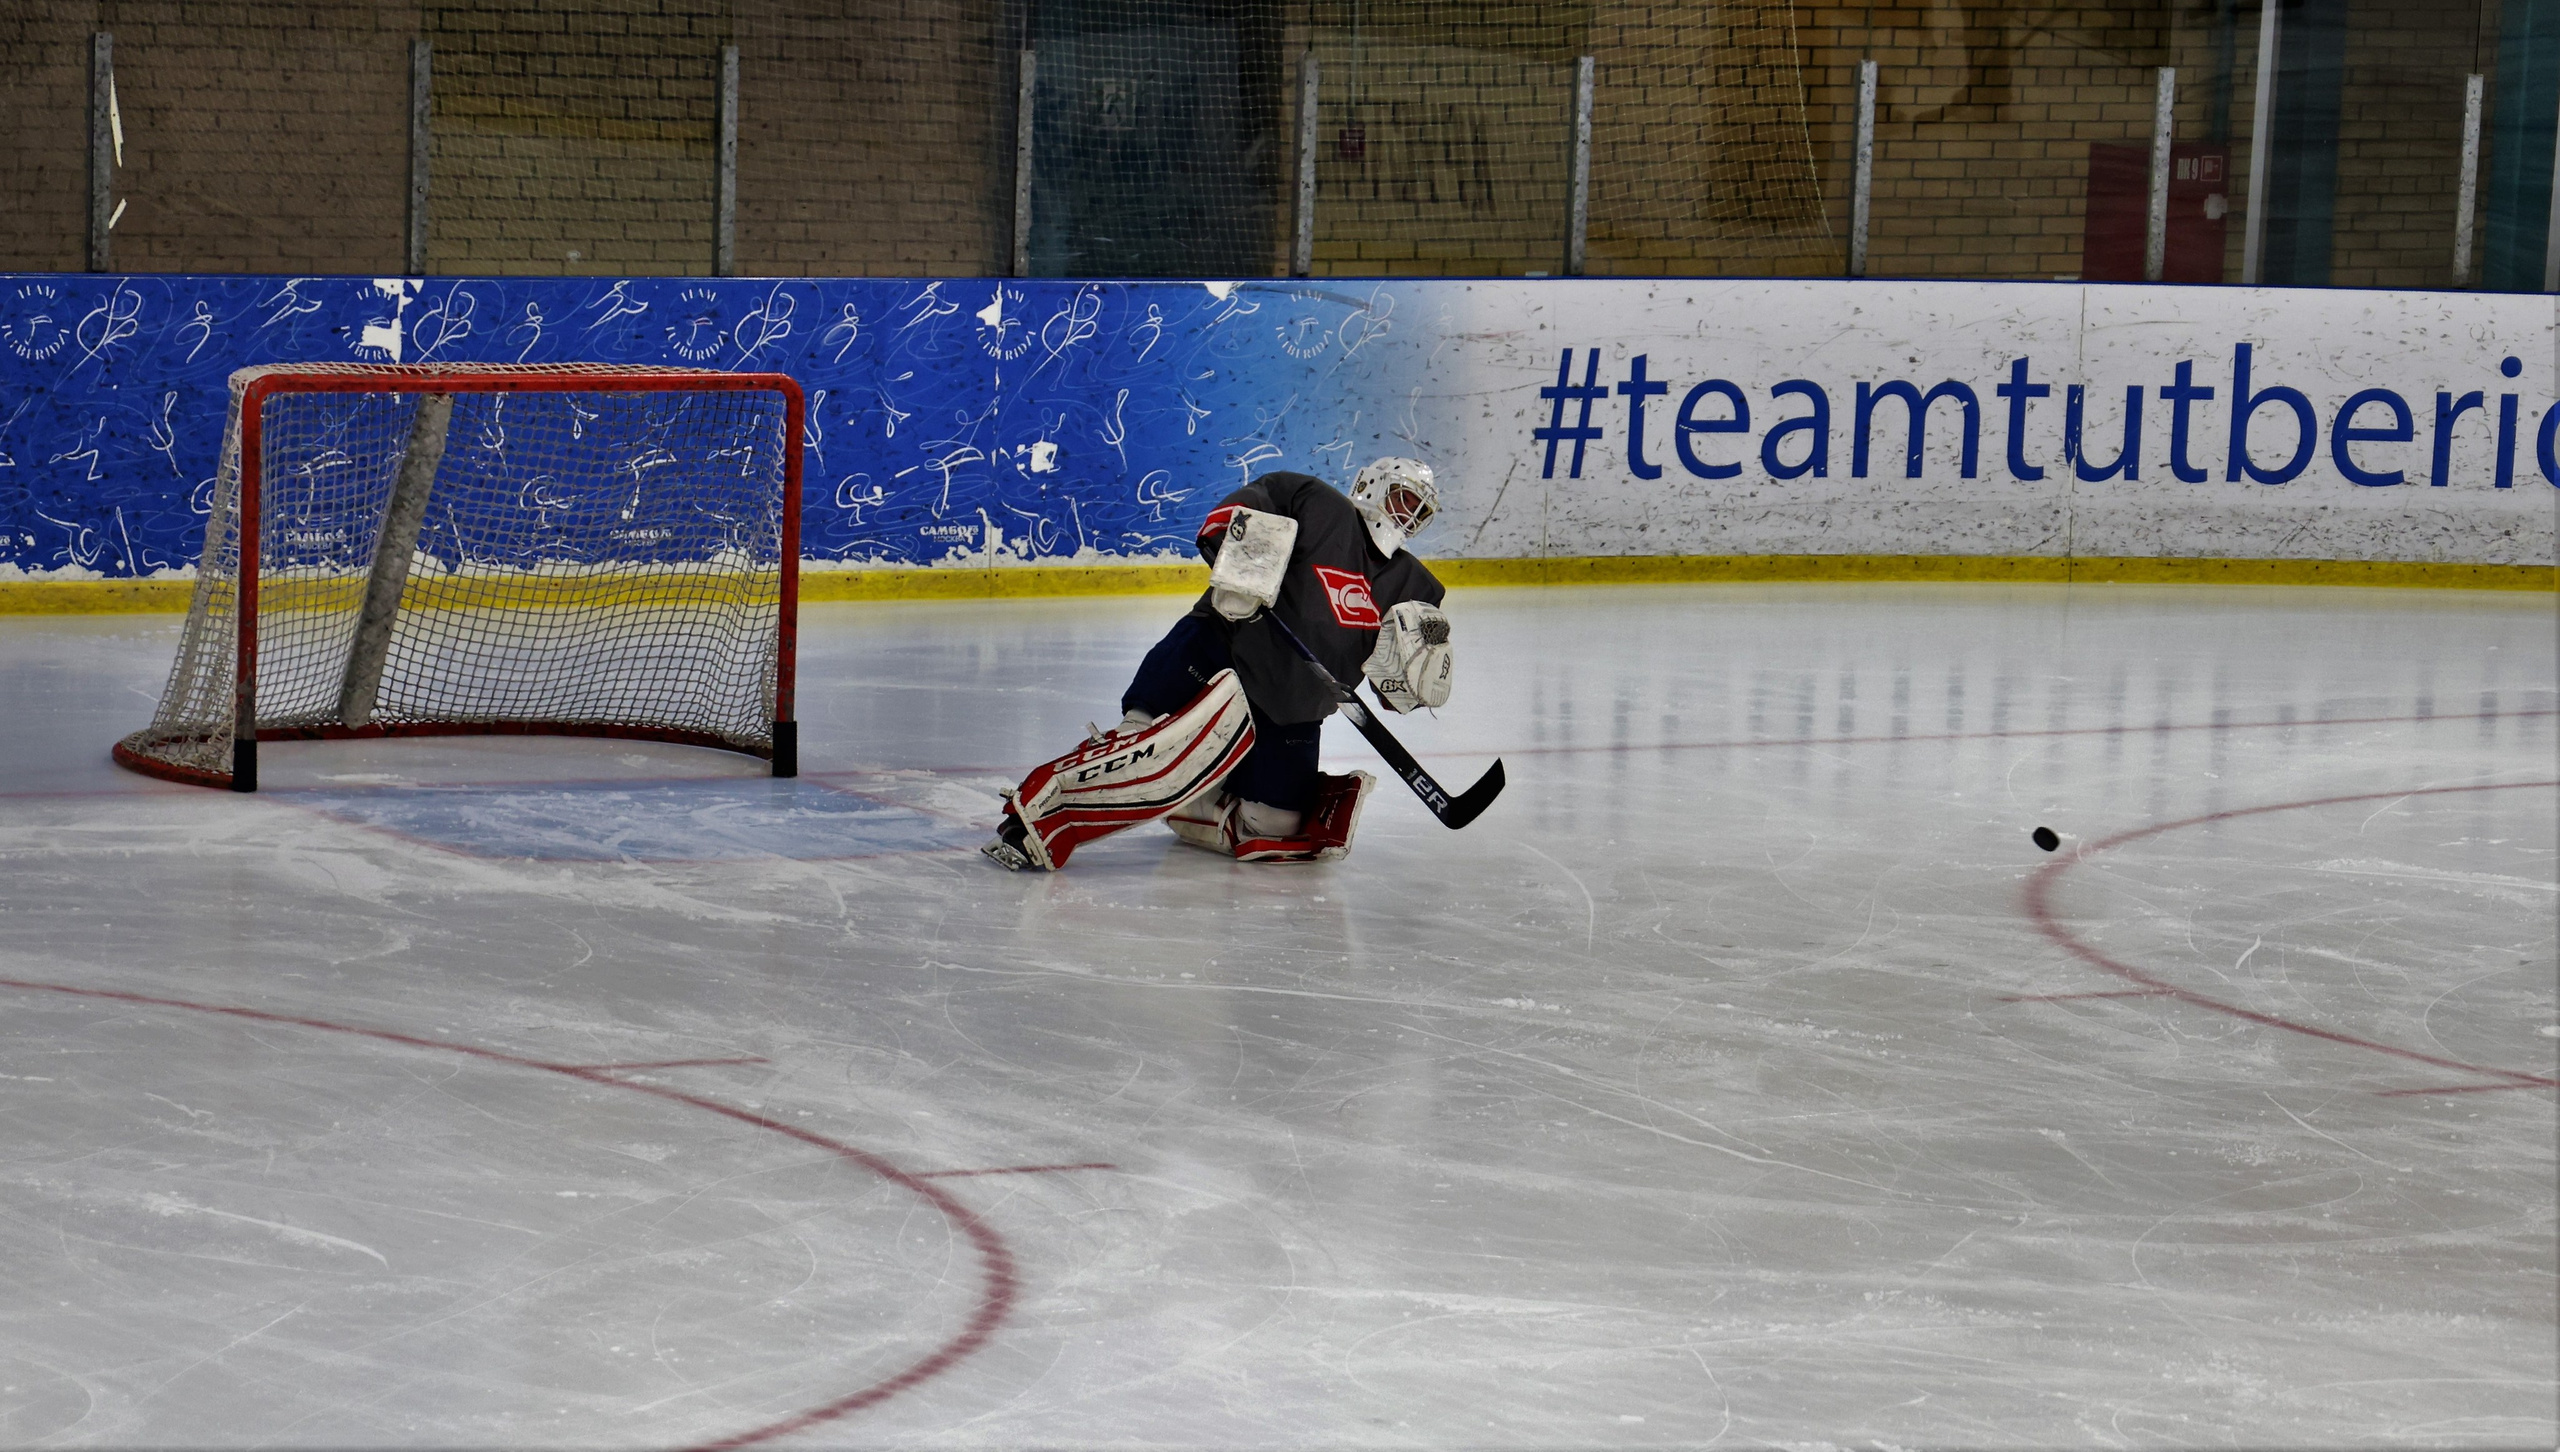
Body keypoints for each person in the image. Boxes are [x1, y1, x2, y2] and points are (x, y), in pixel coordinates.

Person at [982, 458, 1455, 870]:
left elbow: (1388, 690)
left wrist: (1412, 681)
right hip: (1220, 652)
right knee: (1143, 745)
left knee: (1273, 824)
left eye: (1420, 511)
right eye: (1402, 498)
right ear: (1372, 483)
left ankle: (1196, 798)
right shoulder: (1314, 500)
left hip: (1292, 706)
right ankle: (1040, 814)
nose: (1406, 515)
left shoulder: (1412, 582)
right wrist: (1241, 558)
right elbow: (1234, 518)